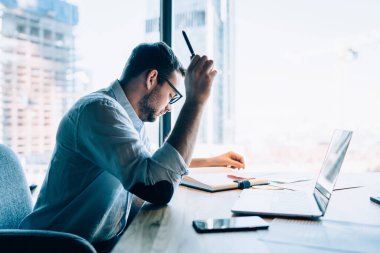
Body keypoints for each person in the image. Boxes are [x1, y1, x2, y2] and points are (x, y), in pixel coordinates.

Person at [19, 42, 245, 252]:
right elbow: (158, 187)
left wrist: (212, 161)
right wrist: (195, 101)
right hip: (55, 246)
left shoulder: (127, 119)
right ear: (152, 78)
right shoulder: (99, 111)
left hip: (91, 243)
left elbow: (153, 163)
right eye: (172, 96)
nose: (169, 107)